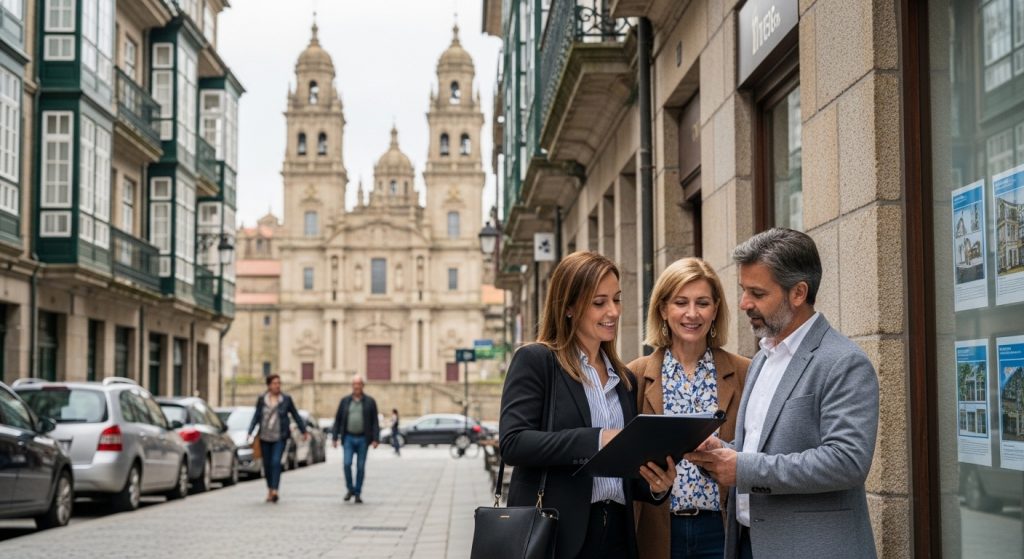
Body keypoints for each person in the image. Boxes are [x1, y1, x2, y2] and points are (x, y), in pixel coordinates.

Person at [684, 228, 880, 559]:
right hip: (748, 543)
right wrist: (721, 453)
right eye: (744, 291)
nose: (744, 303)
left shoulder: (843, 362)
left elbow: (847, 461)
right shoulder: (762, 359)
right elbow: (761, 450)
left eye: (757, 293)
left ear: (798, 293)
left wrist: (743, 469)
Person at [499, 251, 677, 559]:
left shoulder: (623, 379)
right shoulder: (537, 361)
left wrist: (655, 485)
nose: (613, 311)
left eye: (617, 299)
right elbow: (513, 443)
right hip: (557, 535)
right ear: (568, 307)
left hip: (617, 535)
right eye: (599, 302)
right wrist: (597, 439)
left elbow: (623, 474)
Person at [628, 257, 750, 559]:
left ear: (715, 309)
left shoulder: (744, 371)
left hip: (721, 529)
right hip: (659, 530)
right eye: (681, 302)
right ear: (663, 309)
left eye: (702, 303)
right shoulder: (635, 375)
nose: (692, 313)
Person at [247, 374, 308, 503]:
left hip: (280, 437)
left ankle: (275, 490)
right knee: (267, 465)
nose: (277, 386)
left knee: (275, 462)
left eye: (279, 383)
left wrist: (304, 431)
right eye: (275, 383)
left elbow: (295, 415)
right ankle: (270, 489)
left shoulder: (286, 399)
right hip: (264, 437)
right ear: (269, 385)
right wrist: (250, 432)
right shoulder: (262, 399)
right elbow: (256, 416)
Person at [331, 375, 380, 504]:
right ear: (352, 386)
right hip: (348, 437)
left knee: (361, 466)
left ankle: (357, 492)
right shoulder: (345, 401)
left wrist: (376, 439)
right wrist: (334, 437)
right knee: (347, 464)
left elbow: (375, 421)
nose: (356, 386)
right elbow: (338, 420)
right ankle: (350, 489)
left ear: (362, 386)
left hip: (363, 438)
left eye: (359, 384)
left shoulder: (370, 402)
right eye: (354, 384)